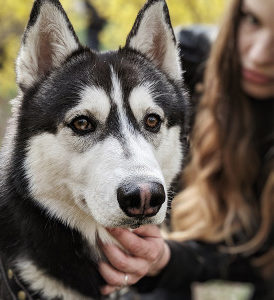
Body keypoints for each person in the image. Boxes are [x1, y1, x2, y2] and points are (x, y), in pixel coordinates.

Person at [98, 0, 274, 299]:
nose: (259, 55)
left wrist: (169, 258)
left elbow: (260, 260)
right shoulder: (185, 59)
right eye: (252, 20)